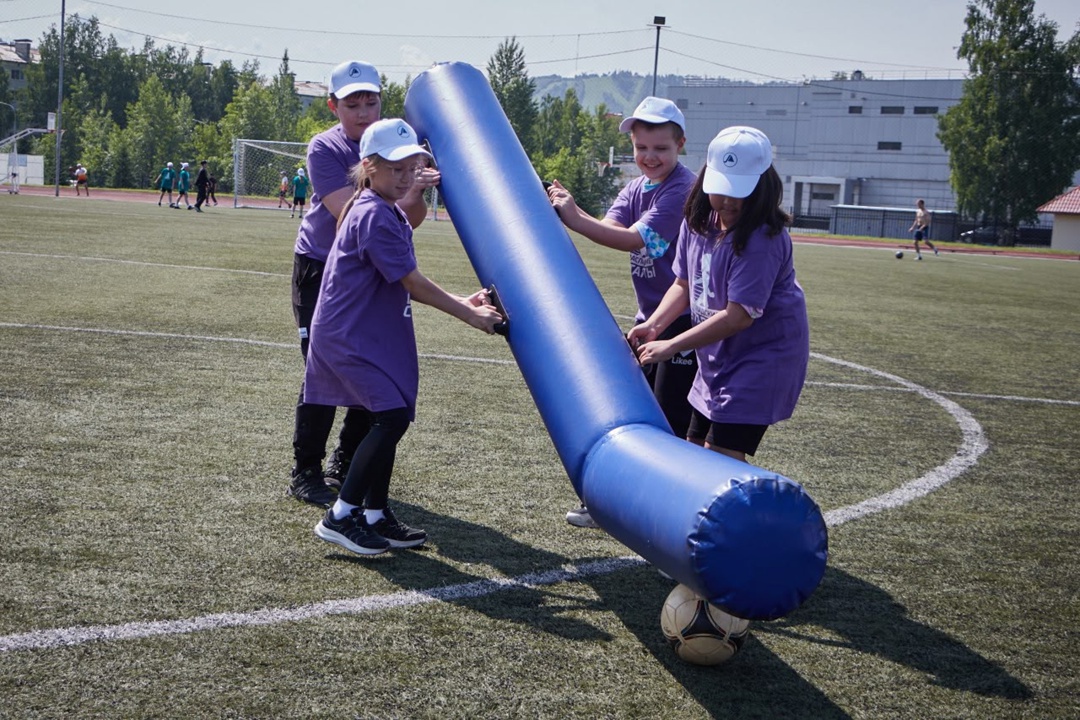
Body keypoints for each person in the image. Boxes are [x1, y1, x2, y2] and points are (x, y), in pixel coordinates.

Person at [306, 118, 502, 555]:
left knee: (392, 415)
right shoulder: (373, 214)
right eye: (396, 168)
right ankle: (341, 516)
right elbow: (411, 282)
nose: (406, 176)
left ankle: (375, 514)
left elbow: (405, 278)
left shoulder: (377, 206)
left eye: (412, 167)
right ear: (369, 166)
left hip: (368, 332)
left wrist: (463, 301)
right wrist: (468, 316)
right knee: (391, 418)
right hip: (350, 335)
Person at [288, 59, 440, 508]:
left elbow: (404, 222)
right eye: (352, 103)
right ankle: (306, 471)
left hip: (369, 270)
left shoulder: (394, 145)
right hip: (321, 266)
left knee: (370, 365)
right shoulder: (326, 148)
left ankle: (346, 462)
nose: (363, 111)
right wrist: (409, 185)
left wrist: (413, 190)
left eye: (371, 101)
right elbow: (347, 215)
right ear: (333, 106)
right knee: (323, 369)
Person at [547, 96, 698, 529]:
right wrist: (569, 210)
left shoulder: (683, 191)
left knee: (668, 418)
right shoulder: (637, 187)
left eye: (661, 148)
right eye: (642, 147)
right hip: (648, 319)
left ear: (680, 145)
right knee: (632, 409)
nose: (650, 157)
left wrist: (574, 218)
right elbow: (611, 227)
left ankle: (663, 510)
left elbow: (633, 240)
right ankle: (616, 499)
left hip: (681, 320)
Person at [629, 126, 809, 463]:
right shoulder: (698, 222)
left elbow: (739, 316)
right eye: (720, 189)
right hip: (716, 360)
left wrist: (672, 344)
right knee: (693, 448)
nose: (728, 201)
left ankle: (749, 515)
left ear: (764, 186)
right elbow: (682, 284)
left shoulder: (763, 238)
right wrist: (654, 325)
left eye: (739, 191)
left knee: (719, 457)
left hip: (760, 360)